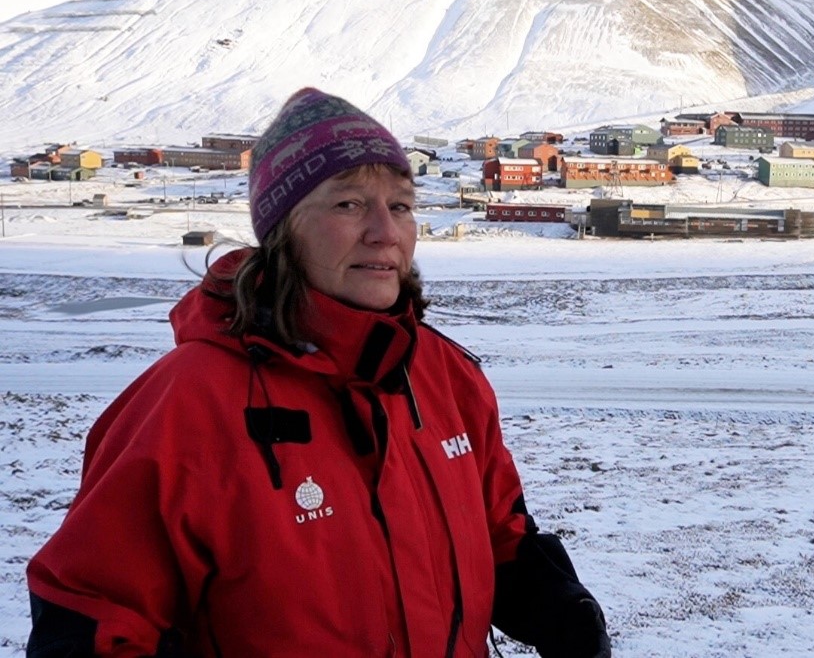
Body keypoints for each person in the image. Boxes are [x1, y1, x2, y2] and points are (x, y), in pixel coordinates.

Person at [27, 88, 611, 657]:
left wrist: (552, 601)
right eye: (349, 203)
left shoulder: (446, 375)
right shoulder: (187, 403)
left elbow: (499, 529)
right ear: (284, 230)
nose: (385, 231)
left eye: (401, 206)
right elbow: (95, 616)